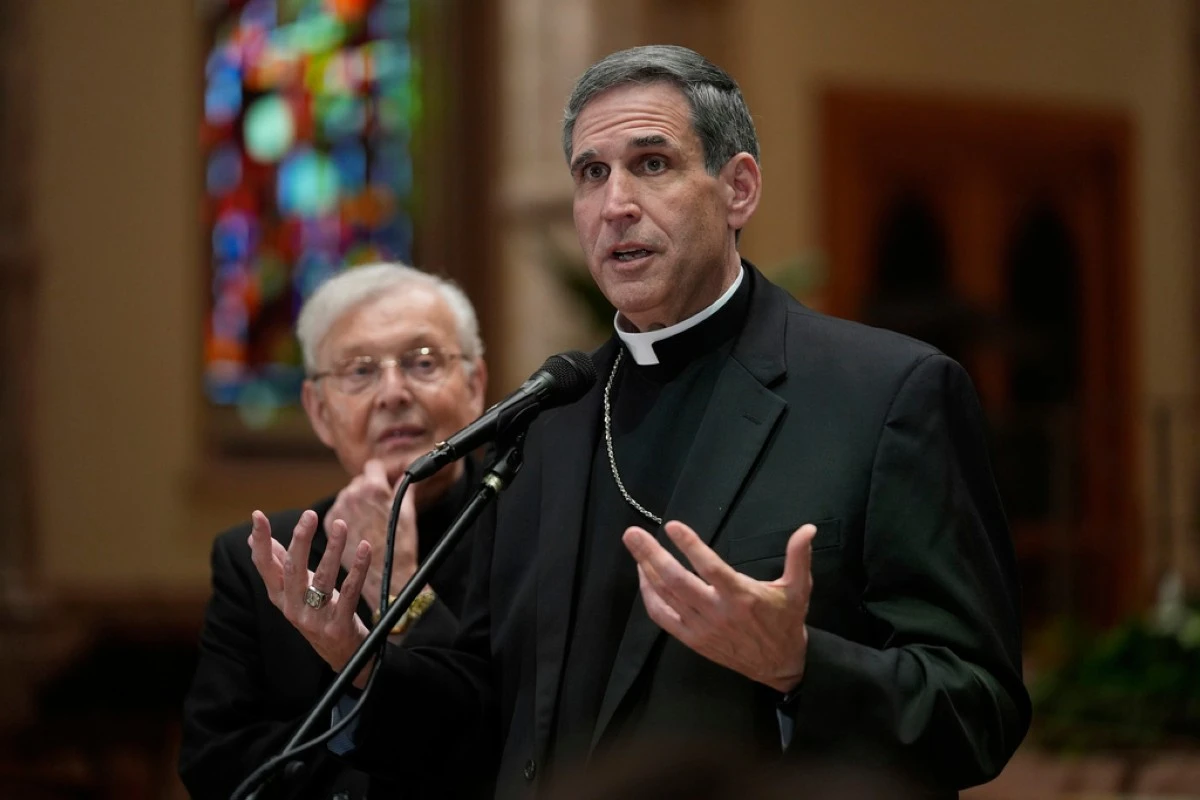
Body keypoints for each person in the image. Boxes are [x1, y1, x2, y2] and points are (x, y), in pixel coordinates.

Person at [251, 45, 1031, 798]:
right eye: (592, 174)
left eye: (651, 164)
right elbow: (485, 720)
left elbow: (978, 711)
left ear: (739, 189)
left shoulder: (886, 395)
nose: (615, 204)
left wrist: (799, 665)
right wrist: (355, 654)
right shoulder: (546, 422)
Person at [179, 263, 489, 799]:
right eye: (360, 372)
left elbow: (507, 734)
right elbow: (218, 763)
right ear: (319, 412)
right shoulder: (259, 560)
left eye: (422, 361)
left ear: (475, 385)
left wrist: (400, 588)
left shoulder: (531, 524)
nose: (393, 392)